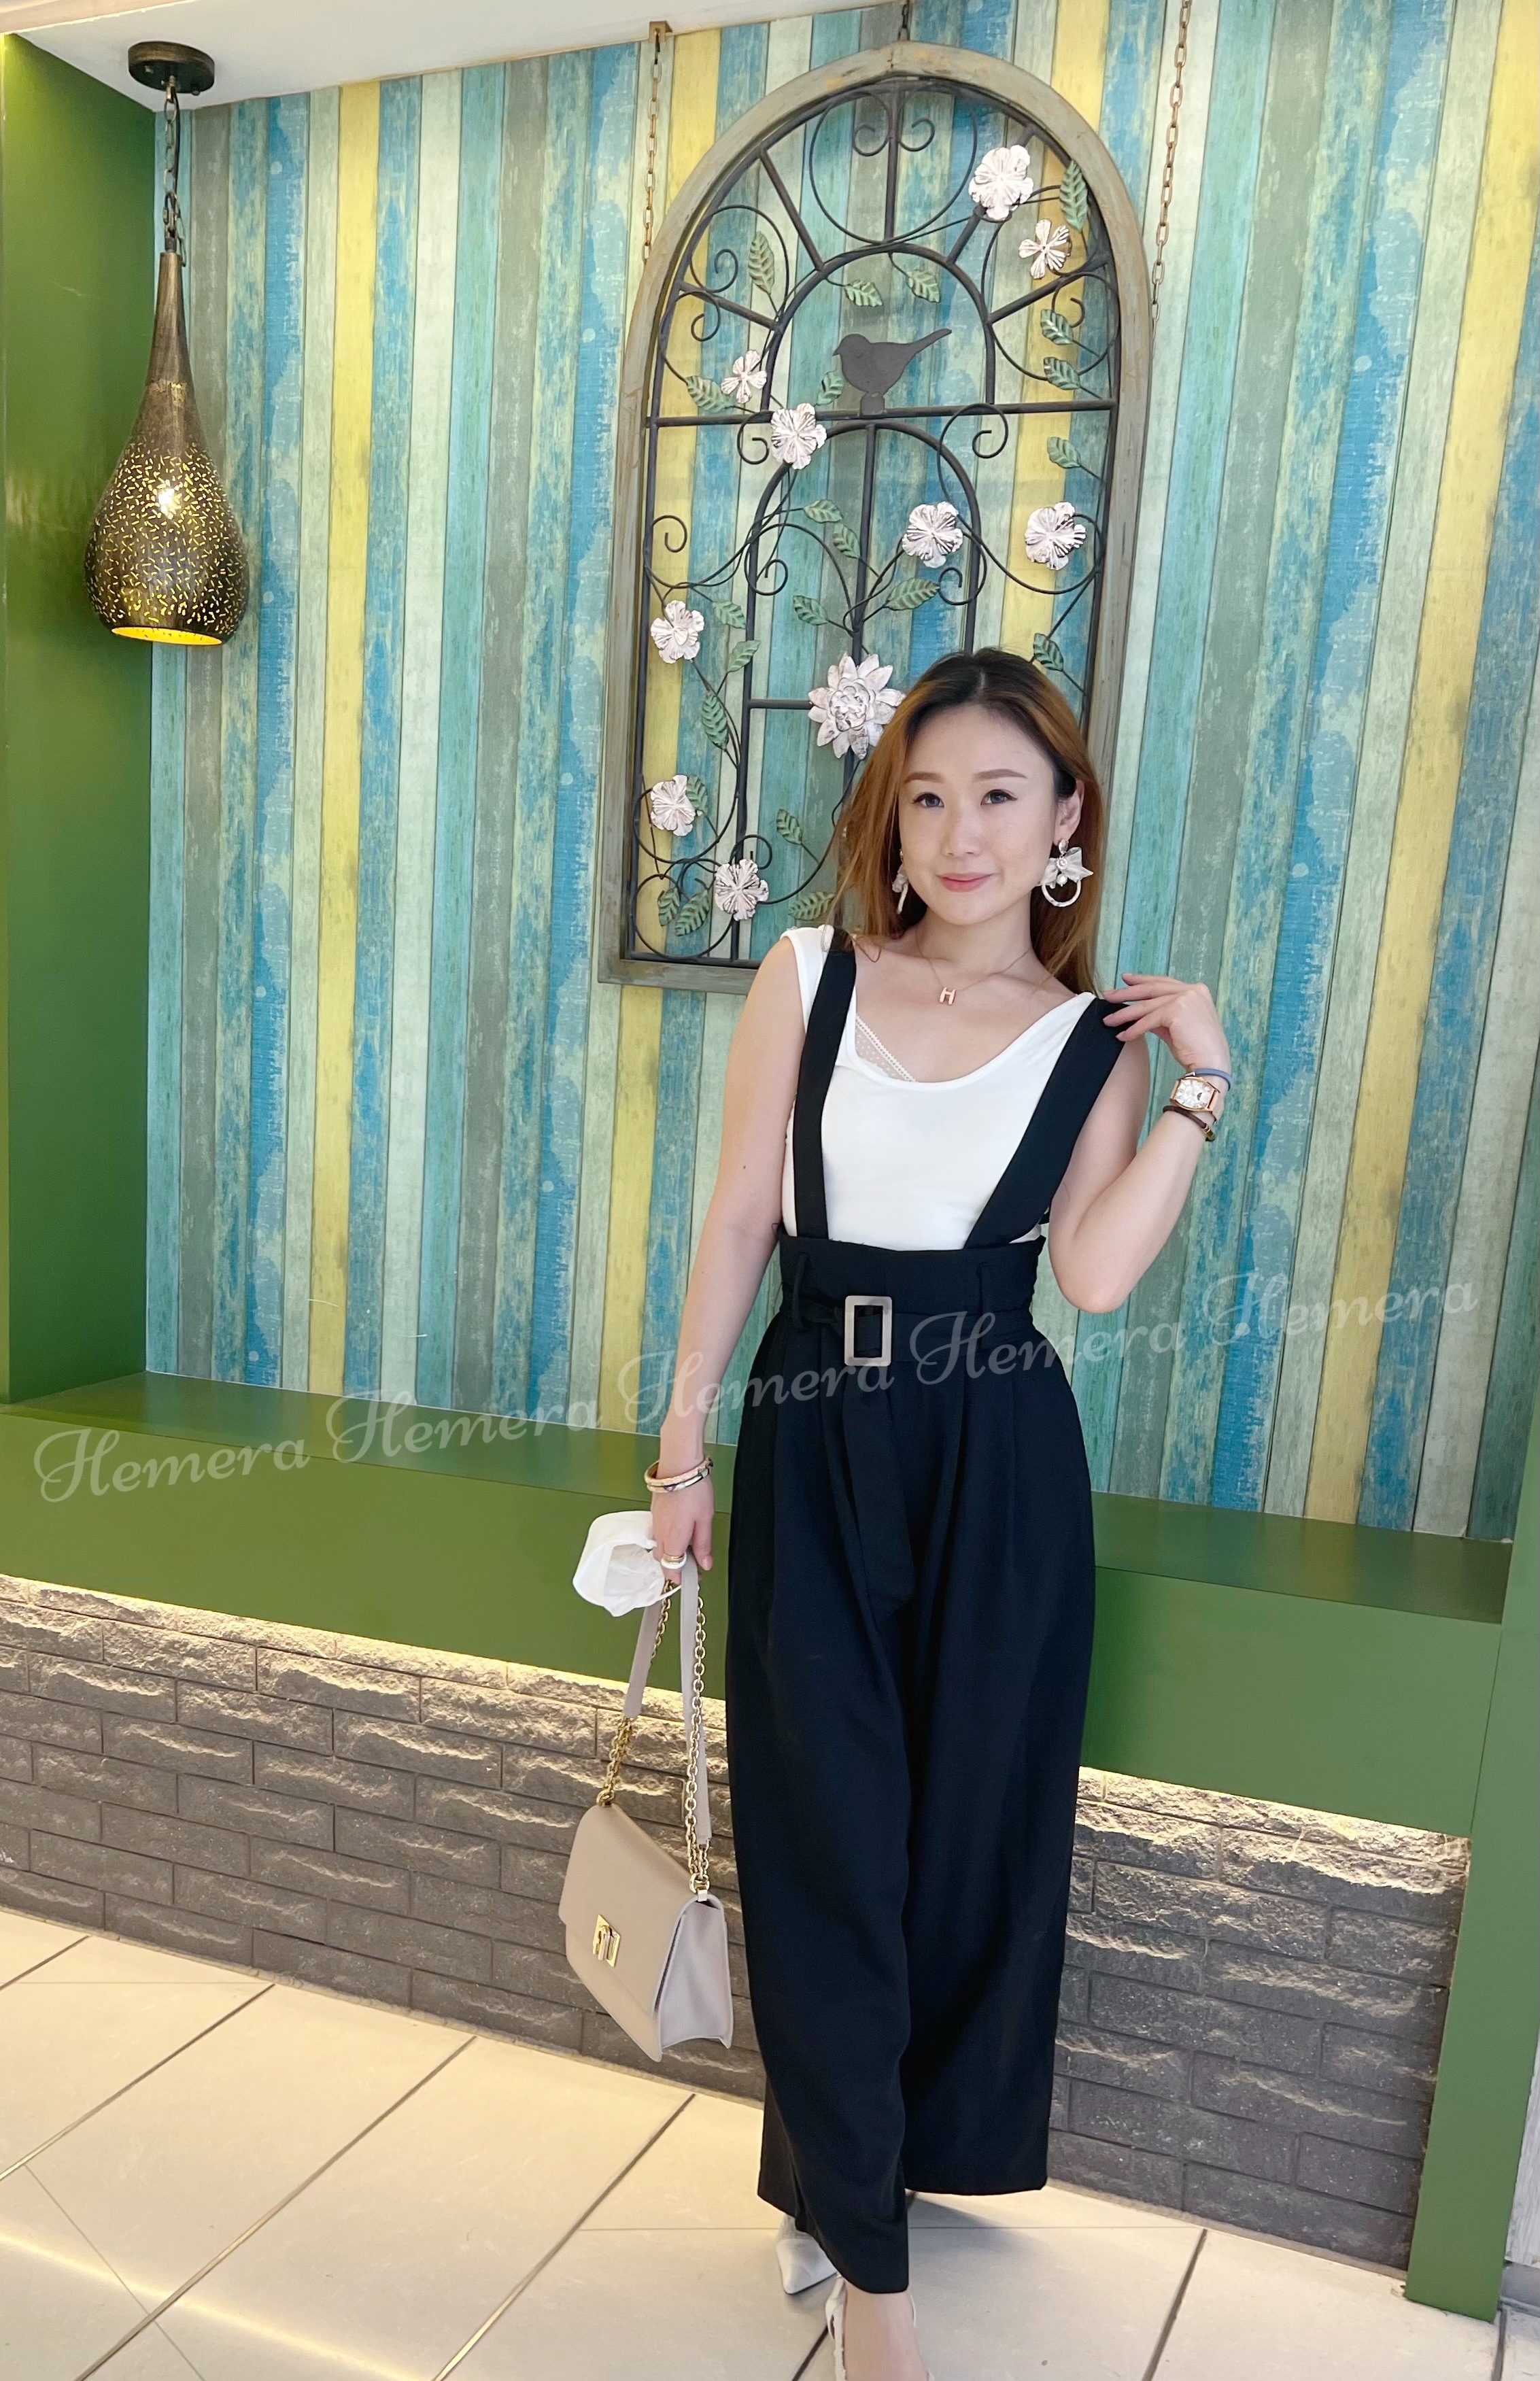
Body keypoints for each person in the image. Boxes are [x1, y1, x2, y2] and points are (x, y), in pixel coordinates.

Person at [645, 647, 1231, 2381]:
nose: (958, 833)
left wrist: (1198, 1088)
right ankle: (873, 2291)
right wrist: (679, 1442)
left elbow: (1095, 1275)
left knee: (966, 1849)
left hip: (999, 1457)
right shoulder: (806, 975)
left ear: (1061, 822)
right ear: (888, 820)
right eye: (924, 796)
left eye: (996, 795)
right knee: (821, 1835)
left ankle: (860, 2169)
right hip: (814, 1433)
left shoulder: (1086, 1046)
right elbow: (738, 1217)